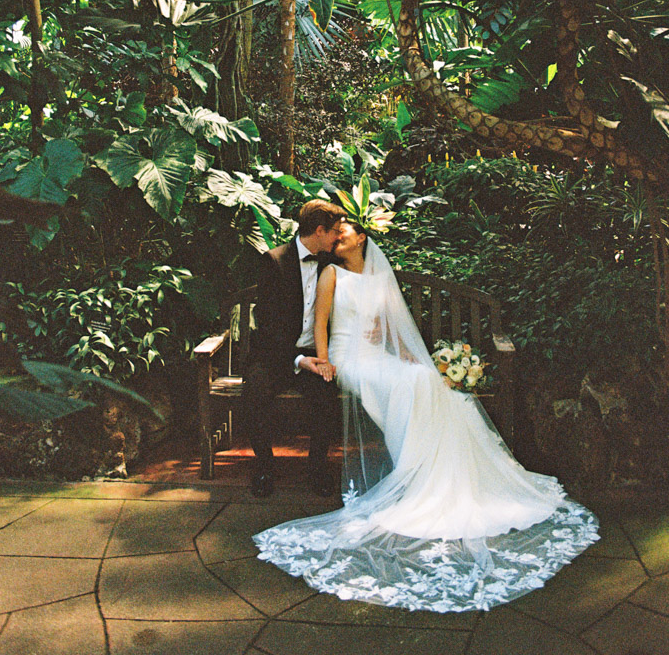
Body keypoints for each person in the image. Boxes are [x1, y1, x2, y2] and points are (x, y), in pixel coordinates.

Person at [253, 220, 600, 614]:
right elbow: (320, 322)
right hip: (349, 358)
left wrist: (404, 351)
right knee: (406, 386)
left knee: (421, 378)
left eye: (343, 233)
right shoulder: (331, 273)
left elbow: (392, 327)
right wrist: (325, 362)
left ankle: (431, 471)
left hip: (377, 357)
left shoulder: (380, 276)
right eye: (333, 234)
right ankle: (415, 471)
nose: (336, 238)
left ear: (362, 239)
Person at [242, 198, 346, 499]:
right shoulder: (274, 261)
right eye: (335, 231)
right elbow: (267, 323)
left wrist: (317, 358)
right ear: (318, 230)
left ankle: (317, 469)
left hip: (314, 354)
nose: (339, 237)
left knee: (326, 394)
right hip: (274, 355)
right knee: (255, 391)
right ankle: (264, 467)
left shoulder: (331, 262)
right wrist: (299, 360)